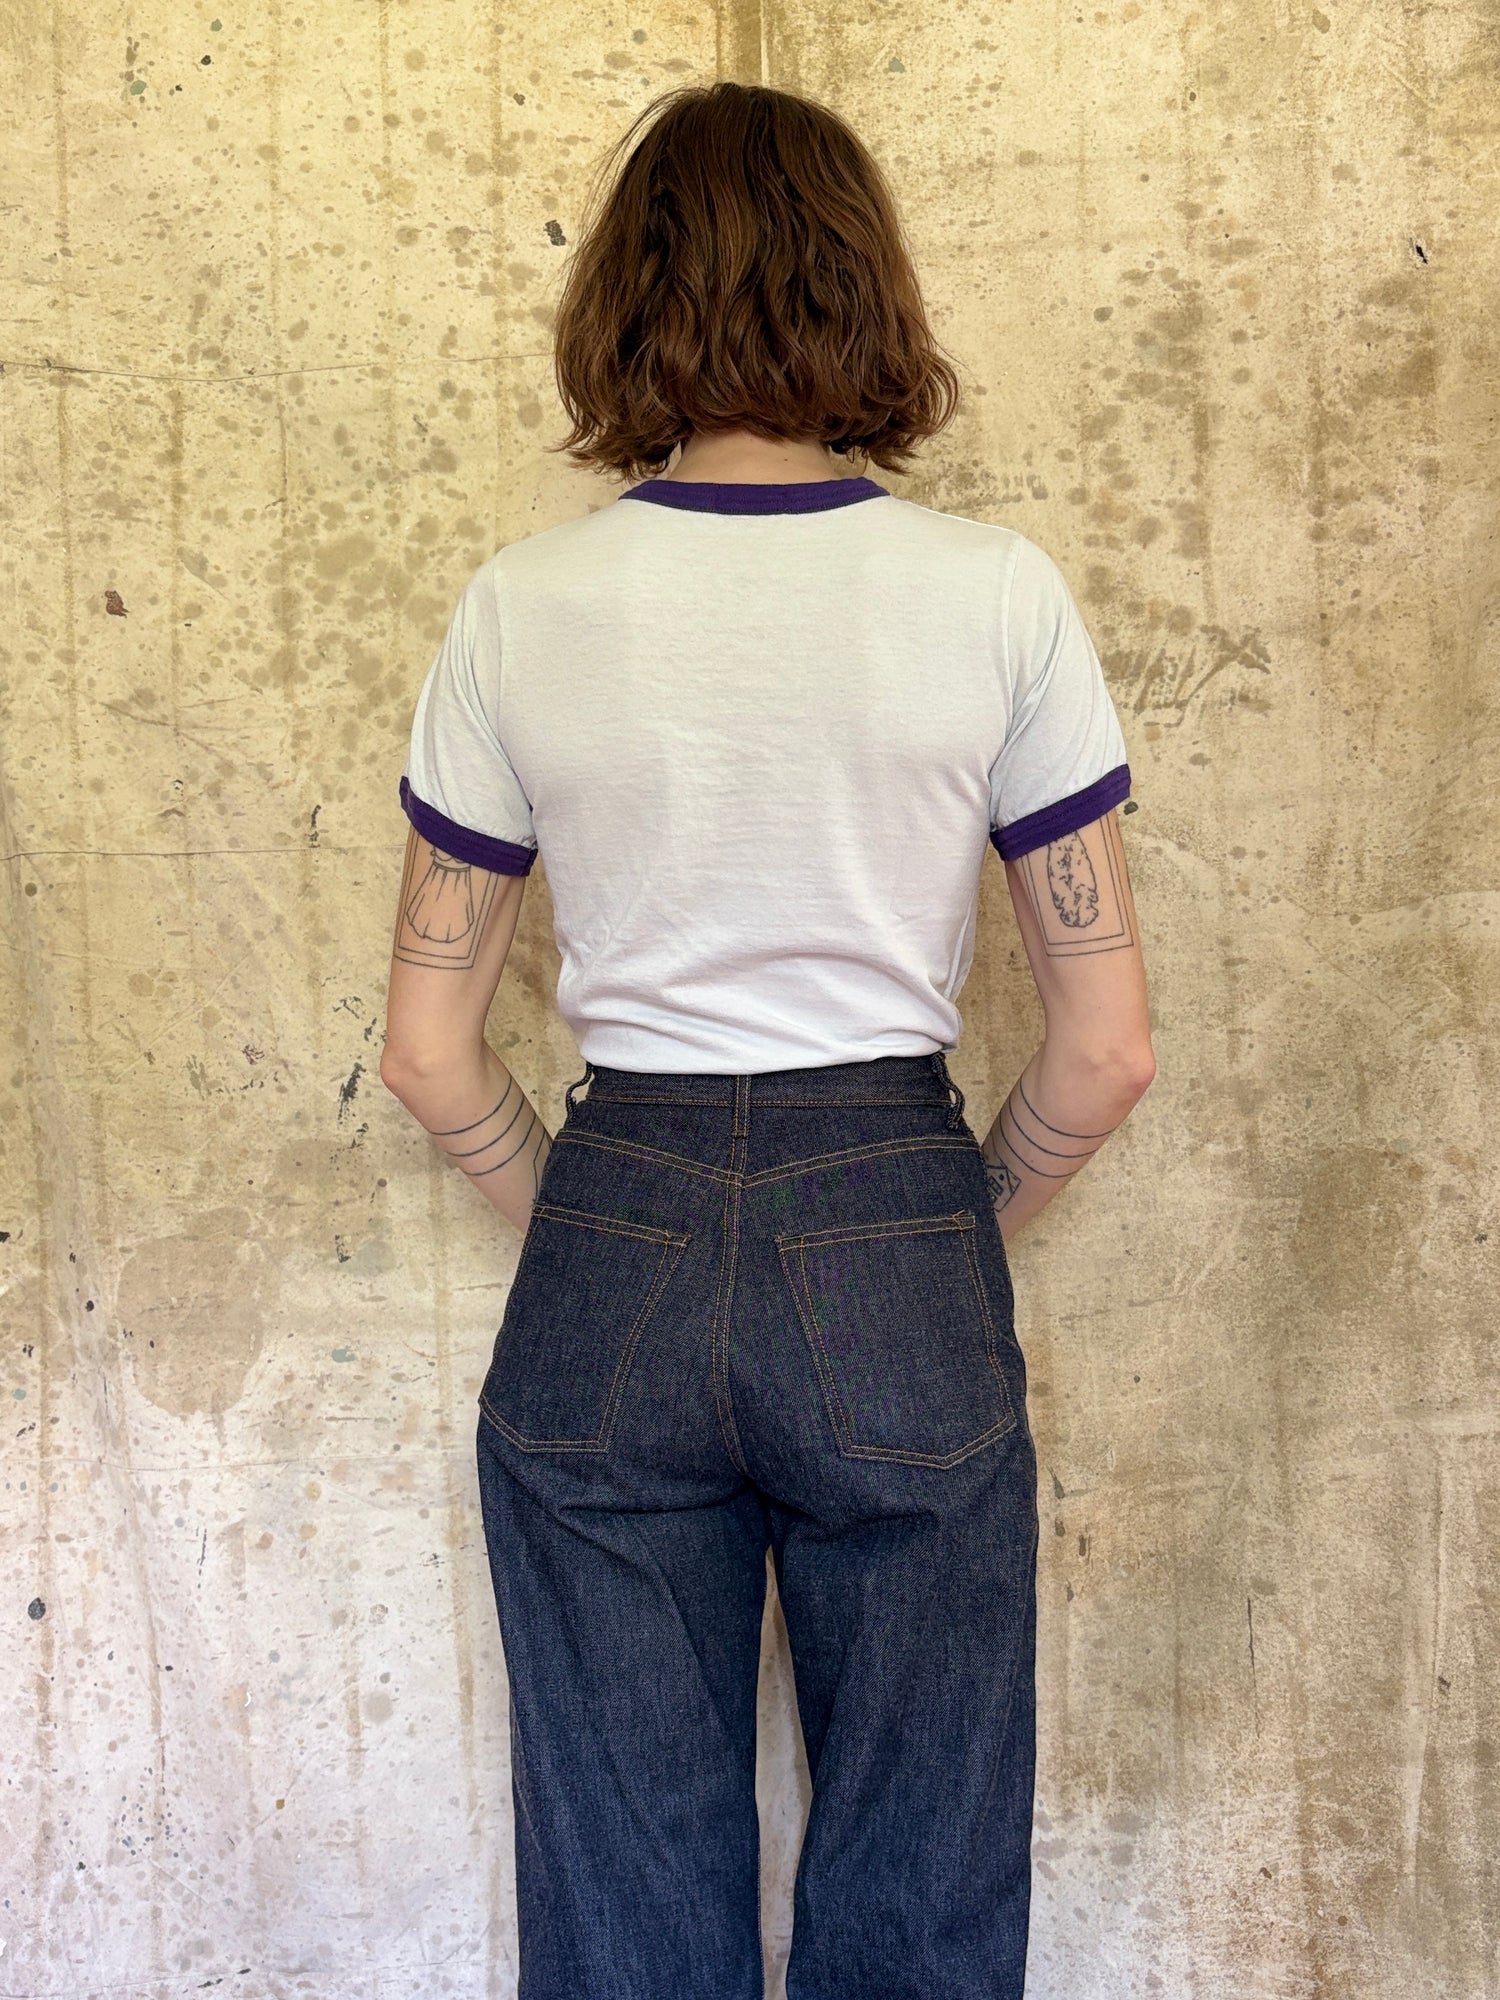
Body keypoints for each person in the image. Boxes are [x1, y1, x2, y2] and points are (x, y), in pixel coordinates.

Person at [380, 78, 1154, 2000]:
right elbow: (1105, 1049)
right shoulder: (995, 599)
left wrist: (604, 1215)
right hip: (894, 1208)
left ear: (621, 300)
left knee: (622, 1902)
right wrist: (931, 1223)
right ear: (866, 287)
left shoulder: (520, 608)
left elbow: (427, 1050)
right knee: (923, 1880)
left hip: (616, 1213)